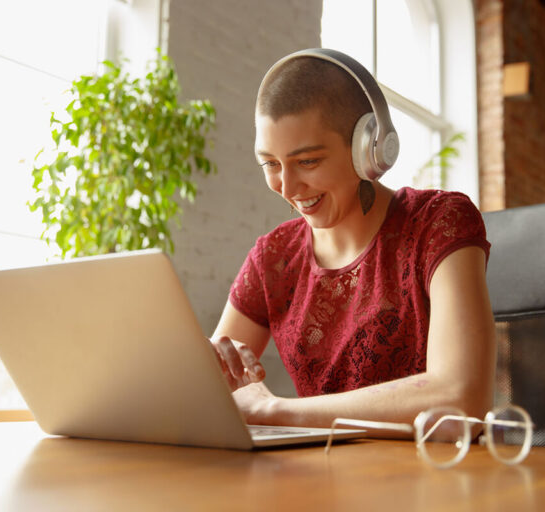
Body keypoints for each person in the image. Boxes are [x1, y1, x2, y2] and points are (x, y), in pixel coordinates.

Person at [210, 49, 496, 432]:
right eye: (271, 164)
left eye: (308, 161)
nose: (288, 188)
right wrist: (207, 375)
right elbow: (211, 387)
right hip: (321, 479)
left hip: (429, 479)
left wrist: (275, 410)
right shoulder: (274, 257)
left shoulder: (438, 223)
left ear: (369, 149)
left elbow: (460, 396)